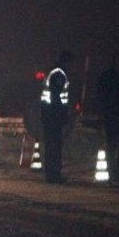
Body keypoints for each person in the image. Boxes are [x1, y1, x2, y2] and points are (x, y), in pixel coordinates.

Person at [97, 53, 119, 182]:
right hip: (112, 115)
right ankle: (113, 173)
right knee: (112, 145)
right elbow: (101, 94)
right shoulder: (109, 77)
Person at [40, 50, 72, 183]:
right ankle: (54, 175)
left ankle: (51, 174)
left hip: (48, 114)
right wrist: (61, 114)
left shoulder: (53, 71)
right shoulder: (59, 73)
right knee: (55, 145)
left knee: (50, 145)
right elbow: (56, 95)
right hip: (54, 115)